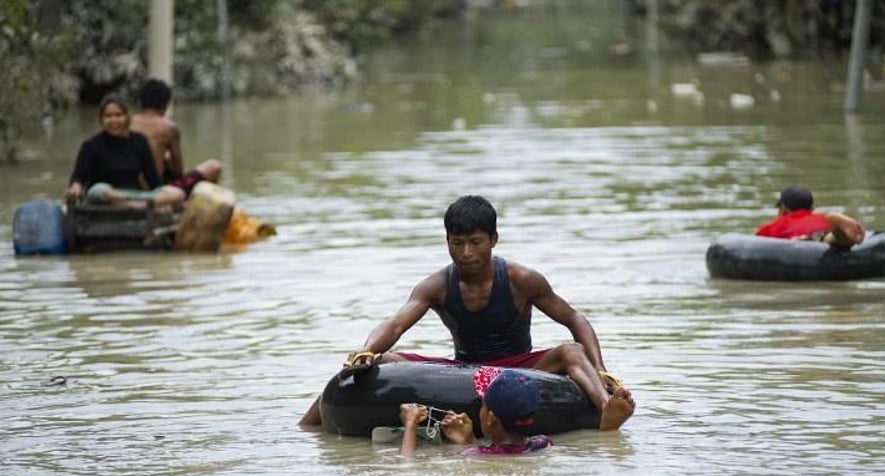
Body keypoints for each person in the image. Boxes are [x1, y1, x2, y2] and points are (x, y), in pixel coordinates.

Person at [300, 194, 634, 431]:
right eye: (457, 243)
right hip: (465, 369)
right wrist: (367, 351)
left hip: (519, 366)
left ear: (493, 240)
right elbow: (397, 323)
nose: (466, 253)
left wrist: (602, 370)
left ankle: (606, 412)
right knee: (381, 361)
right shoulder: (437, 286)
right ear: (447, 241)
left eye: (476, 242)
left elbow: (575, 319)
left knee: (571, 351)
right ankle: (307, 425)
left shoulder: (522, 280)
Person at [65, 94, 185, 208]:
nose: (114, 120)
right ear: (101, 119)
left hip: (135, 196)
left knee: (178, 194)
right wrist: (76, 188)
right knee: (98, 189)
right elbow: (78, 178)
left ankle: (137, 207)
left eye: (118, 115)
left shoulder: (140, 141)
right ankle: (137, 206)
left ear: (127, 117)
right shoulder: (91, 145)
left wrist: (162, 194)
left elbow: (154, 181)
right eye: (108, 116)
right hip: (105, 197)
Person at [399, 369, 553, 456]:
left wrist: (410, 424)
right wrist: (469, 440)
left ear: (490, 418)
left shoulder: (474, 456)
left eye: (483, 406)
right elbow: (498, 452)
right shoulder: (543, 443)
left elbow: (408, 466)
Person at [130, 78, 222, 197]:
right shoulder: (168, 127)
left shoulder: (127, 123)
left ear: (140, 102)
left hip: (129, 186)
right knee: (214, 167)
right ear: (165, 105)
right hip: (157, 190)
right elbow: (178, 171)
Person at [755, 185, 866, 248]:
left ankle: (813, 238)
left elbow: (756, 245)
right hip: (820, 234)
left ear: (783, 209)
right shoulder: (819, 220)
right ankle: (837, 234)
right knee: (828, 239)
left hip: (793, 245)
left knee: (809, 240)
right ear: (812, 208)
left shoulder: (772, 227)